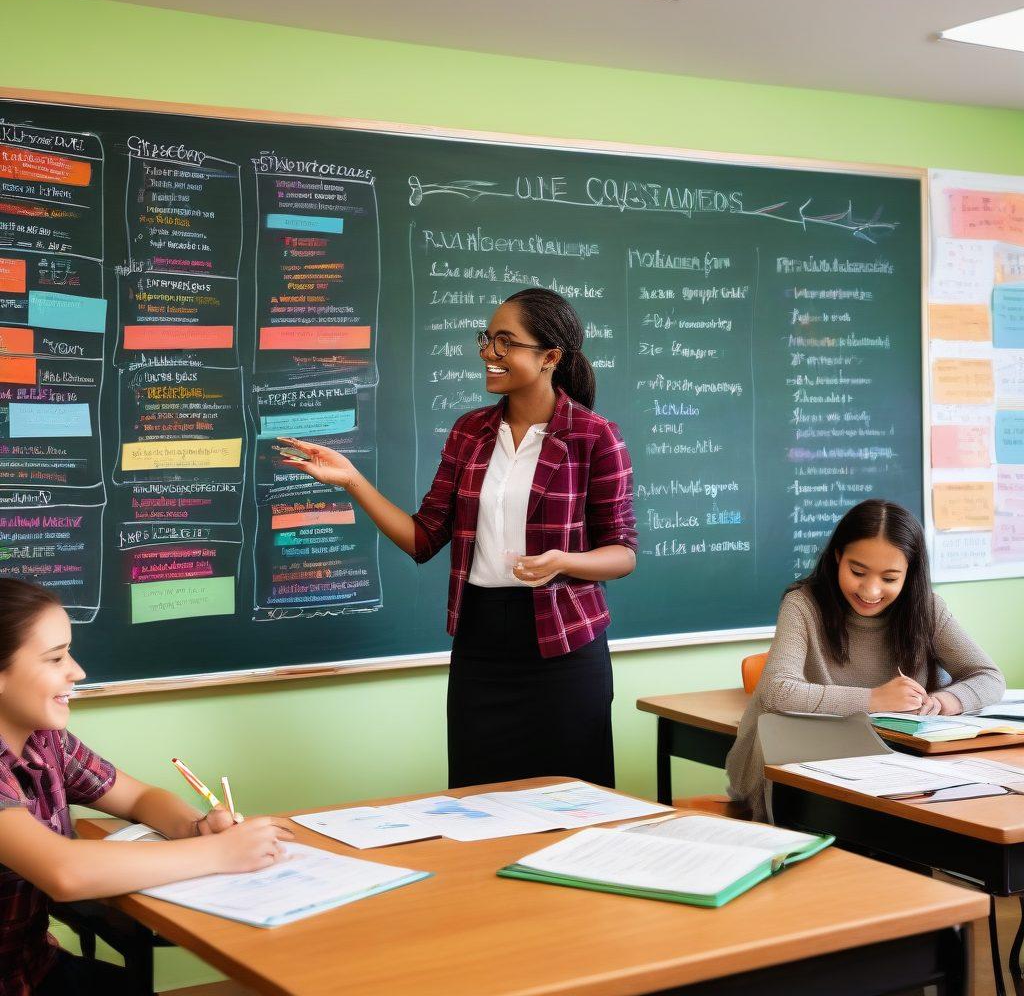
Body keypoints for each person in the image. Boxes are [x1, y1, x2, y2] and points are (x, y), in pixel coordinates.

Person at [280, 287, 637, 788]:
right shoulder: (469, 432)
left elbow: (622, 552)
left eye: (505, 342)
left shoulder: (595, 436)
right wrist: (353, 481)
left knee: (574, 806)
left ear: (550, 357)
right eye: (487, 339)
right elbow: (422, 538)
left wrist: (563, 561)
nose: (488, 353)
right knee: (477, 804)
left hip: (564, 649)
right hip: (481, 645)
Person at [0, 577, 293, 995]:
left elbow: (139, 797)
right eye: (55, 658)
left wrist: (194, 827)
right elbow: (64, 871)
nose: (77, 671)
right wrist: (219, 853)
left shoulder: (45, 740)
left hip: (34, 968)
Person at [726, 499, 1004, 821]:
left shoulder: (926, 608)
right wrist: (874, 699)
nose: (871, 590)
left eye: (889, 578)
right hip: (801, 764)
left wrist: (946, 701)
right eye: (857, 572)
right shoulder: (802, 605)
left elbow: (988, 676)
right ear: (837, 558)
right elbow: (777, 691)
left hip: (895, 764)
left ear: (909, 574)